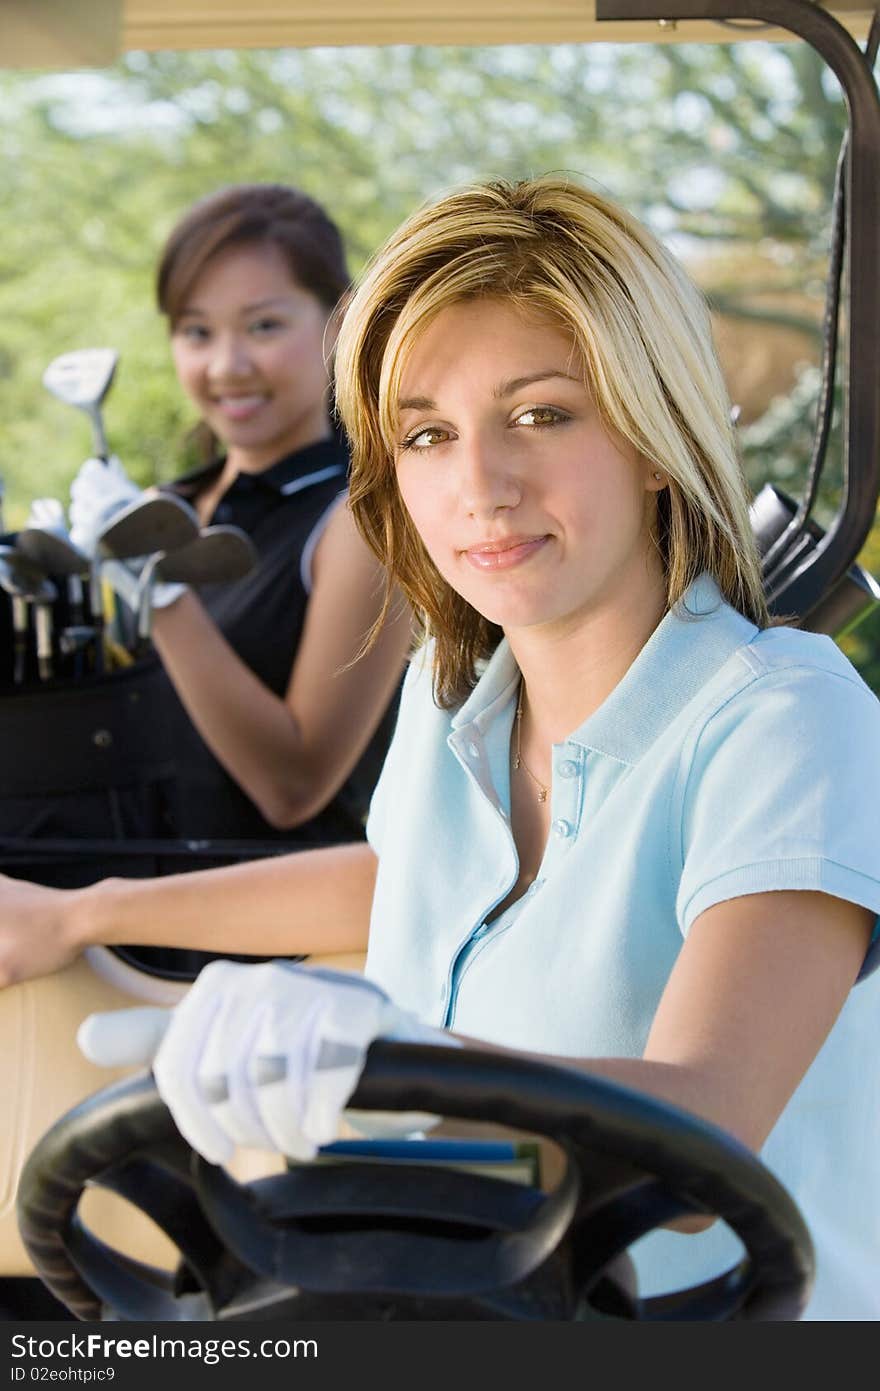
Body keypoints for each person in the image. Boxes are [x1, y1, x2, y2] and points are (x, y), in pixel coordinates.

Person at [3, 177, 879, 1320]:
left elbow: (701, 1133)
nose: (479, 488)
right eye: (427, 434)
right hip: (455, 1290)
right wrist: (86, 913)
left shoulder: (785, 717)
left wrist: (393, 1053)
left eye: (542, 414)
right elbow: (403, 880)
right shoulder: (453, 685)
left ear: (658, 439)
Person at [67, 183, 411, 844]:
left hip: (284, 930)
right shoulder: (169, 505)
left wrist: (160, 589)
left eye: (264, 325)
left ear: (338, 322)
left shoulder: (365, 521)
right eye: (197, 331)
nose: (227, 365)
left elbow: (296, 786)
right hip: (131, 900)